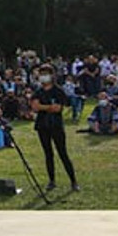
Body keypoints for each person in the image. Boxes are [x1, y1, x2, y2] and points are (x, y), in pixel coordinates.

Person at [30, 64, 78, 192]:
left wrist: (42, 106)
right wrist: (48, 107)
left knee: (63, 153)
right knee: (48, 154)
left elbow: (58, 108)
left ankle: (73, 181)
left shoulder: (58, 91)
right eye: (41, 74)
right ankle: (51, 181)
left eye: (45, 74)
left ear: (52, 76)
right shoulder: (38, 91)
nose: (43, 77)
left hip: (56, 125)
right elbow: (34, 107)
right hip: (42, 125)